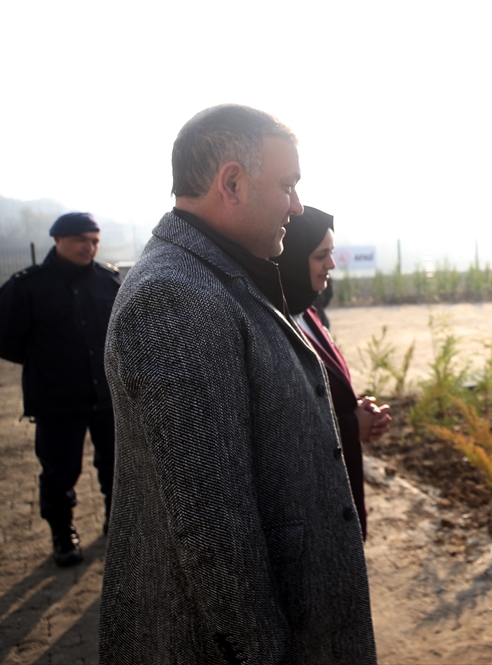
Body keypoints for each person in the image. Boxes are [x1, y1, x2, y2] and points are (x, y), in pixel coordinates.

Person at [99, 104, 376, 664]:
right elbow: (211, 524)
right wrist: (261, 652)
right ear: (232, 182)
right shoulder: (176, 297)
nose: (297, 207)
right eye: (289, 186)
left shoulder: (217, 274)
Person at [0, 212, 120, 568]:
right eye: (81, 240)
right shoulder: (27, 286)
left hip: (107, 396)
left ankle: (116, 524)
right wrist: (47, 364)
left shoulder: (108, 282)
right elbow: (1, 339)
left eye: (94, 241)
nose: (89, 247)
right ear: (58, 240)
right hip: (57, 398)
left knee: (116, 465)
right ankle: (63, 534)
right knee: (60, 471)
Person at [274, 205, 392, 537]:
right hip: (310, 509)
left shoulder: (306, 312)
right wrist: (352, 425)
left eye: (332, 253)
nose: (331, 264)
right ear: (293, 257)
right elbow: (285, 427)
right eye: (321, 255)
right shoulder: (276, 324)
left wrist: (357, 410)